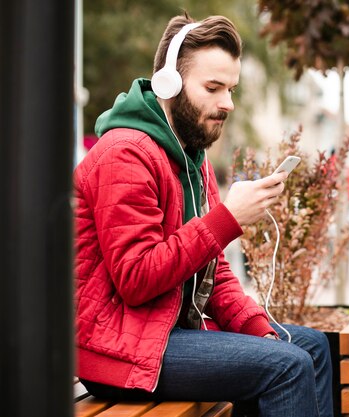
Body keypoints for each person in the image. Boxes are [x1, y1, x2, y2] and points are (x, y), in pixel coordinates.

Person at [73, 13, 333, 417]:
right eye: (213, 88)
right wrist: (228, 218)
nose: (227, 103)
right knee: (287, 366)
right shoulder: (124, 154)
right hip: (117, 347)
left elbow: (216, 275)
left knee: (309, 347)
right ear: (169, 83)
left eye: (231, 89)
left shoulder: (192, 158)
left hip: (166, 333)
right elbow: (136, 278)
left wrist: (258, 329)